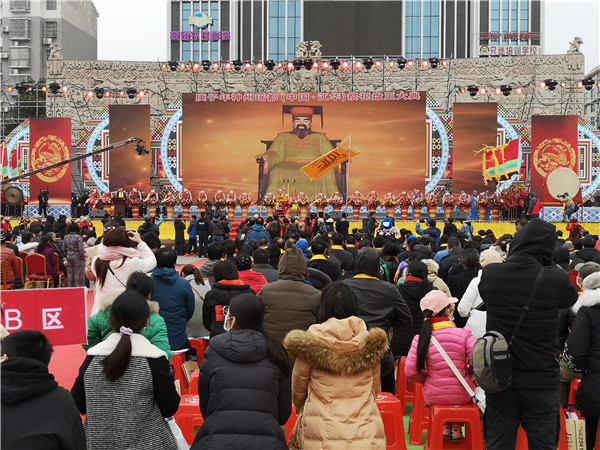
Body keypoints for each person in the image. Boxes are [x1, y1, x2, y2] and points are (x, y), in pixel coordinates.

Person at [479, 218, 578, 449]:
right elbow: (570, 299)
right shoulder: (554, 278)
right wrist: (549, 264)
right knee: (543, 443)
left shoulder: (491, 274)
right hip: (541, 376)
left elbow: (485, 295)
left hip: (501, 374)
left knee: (498, 442)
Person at [283, 282, 388, 450]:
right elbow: (374, 389)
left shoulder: (310, 344)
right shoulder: (369, 344)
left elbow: (298, 390)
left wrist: (308, 408)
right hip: (365, 431)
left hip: (320, 431)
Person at [71, 291, 180, 449]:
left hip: (98, 444)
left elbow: (79, 403)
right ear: (147, 321)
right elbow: (170, 407)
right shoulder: (155, 359)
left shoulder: (93, 357)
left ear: (111, 320)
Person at [191, 293, 291, 449]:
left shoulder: (214, 350)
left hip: (216, 442)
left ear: (234, 319)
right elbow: (283, 415)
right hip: (268, 443)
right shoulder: (277, 352)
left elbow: (206, 409)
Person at [404, 290, 476, 441]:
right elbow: (478, 361)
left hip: (434, 395)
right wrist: (469, 372)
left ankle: (445, 427)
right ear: (448, 312)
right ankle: (455, 426)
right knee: (459, 399)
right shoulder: (464, 334)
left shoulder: (420, 338)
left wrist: (429, 379)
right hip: (463, 393)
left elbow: (410, 371)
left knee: (443, 402)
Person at [1, 330, 86, 450]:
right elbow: (77, 443)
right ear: (46, 359)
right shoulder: (62, 401)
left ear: (5, 357)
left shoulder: (61, 400)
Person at [344, 247, 413, 393]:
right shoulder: (390, 289)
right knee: (387, 396)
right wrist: (387, 325)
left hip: (348, 352)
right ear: (377, 267)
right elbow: (406, 319)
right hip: (380, 354)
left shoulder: (344, 286)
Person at [85, 270, 172, 360]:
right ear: (149, 295)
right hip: (142, 366)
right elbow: (164, 355)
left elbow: (86, 330)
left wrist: (98, 351)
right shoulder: (156, 320)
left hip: (108, 362)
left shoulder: (109, 309)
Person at [256, 106, 338, 198]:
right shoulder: (282, 137)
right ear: (293, 123)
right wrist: (265, 156)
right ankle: (275, 200)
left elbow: (330, 153)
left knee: (327, 172)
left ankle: (328, 200)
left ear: (311, 123)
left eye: (306, 120)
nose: (301, 123)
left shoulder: (321, 137)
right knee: (276, 171)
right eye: (297, 120)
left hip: (315, 166)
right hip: (287, 165)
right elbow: (274, 152)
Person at [562, 271, 600, 449]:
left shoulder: (587, 311)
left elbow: (576, 349)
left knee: (591, 432)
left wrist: (582, 370)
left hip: (595, 384)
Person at [258, 247, 322, 342]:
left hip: (272, 346)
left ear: (281, 268)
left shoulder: (265, 291)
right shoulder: (316, 295)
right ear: (305, 272)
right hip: (301, 346)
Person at [90, 228, 157, 314]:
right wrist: (140, 241)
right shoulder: (132, 263)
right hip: (122, 310)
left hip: (100, 310)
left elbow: (103, 249)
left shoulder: (96, 261)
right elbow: (152, 261)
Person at [150, 247, 195, 351]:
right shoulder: (184, 284)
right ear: (175, 264)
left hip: (153, 341)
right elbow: (190, 310)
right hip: (178, 339)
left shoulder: (148, 283)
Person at [456, 249, 503, 339]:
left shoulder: (476, 282)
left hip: (476, 330)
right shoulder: (507, 282)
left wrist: (473, 313)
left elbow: (462, 309)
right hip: (499, 331)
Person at [392, 260, 436, 357]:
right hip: (426, 341)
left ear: (408, 273)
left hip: (401, 340)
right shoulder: (433, 291)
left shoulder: (398, 291)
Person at [203, 260, 252, 338]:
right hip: (245, 338)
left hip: (218, 338)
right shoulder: (249, 293)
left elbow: (207, 322)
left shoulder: (211, 295)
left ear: (215, 275)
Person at [181, 264, 211, 338]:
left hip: (187, 331)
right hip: (206, 330)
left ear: (183, 274)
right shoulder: (207, 285)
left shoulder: (182, 286)